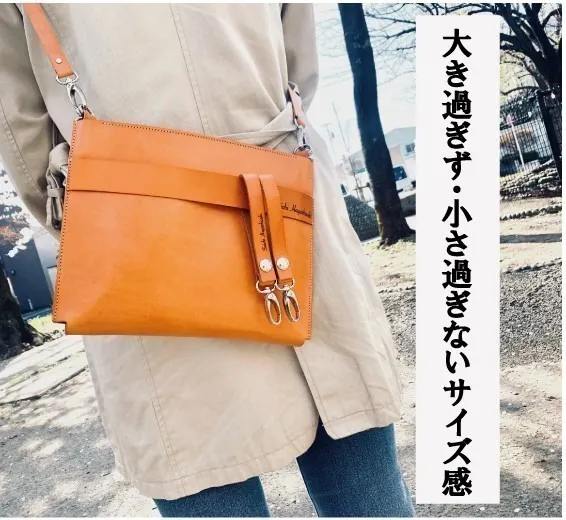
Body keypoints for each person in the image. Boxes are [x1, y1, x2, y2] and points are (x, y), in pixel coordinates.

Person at [0, 3, 413, 517]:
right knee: (356, 450)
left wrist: (98, 215)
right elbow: (299, 67)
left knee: (200, 463)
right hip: (283, 197)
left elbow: (23, 135)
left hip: (137, 233)